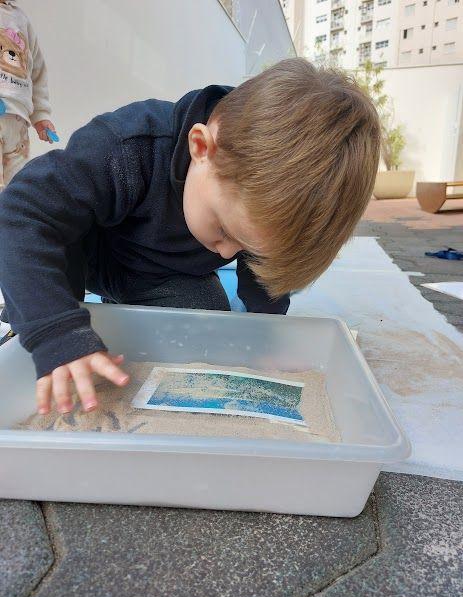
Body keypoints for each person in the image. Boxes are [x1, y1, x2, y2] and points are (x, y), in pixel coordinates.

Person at [0, 58, 381, 415]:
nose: (228, 253)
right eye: (224, 230)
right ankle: (35, 317)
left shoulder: (259, 195)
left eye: (247, 247)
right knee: (45, 307)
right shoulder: (127, 147)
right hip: (79, 254)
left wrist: (267, 333)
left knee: (210, 329)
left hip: (160, 274)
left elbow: (266, 276)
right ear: (200, 148)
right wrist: (57, 333)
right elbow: (20, 214)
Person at [0, 0, 56, 187]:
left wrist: (40, 114)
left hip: (19, 122)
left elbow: (36, 72)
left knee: (18, 187)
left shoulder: (21, 19)